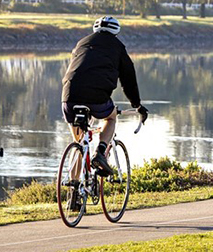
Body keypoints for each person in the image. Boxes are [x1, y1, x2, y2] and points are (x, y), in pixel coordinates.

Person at [61, 16, 149, 209]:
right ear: (116, 32)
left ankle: (73, 195)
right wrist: (137, 105)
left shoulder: (81, 43)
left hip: (69, 96)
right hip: (97, 97)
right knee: (110, 117)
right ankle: (100, 152)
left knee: (79, 141)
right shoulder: (118, 48)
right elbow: (128, 80)